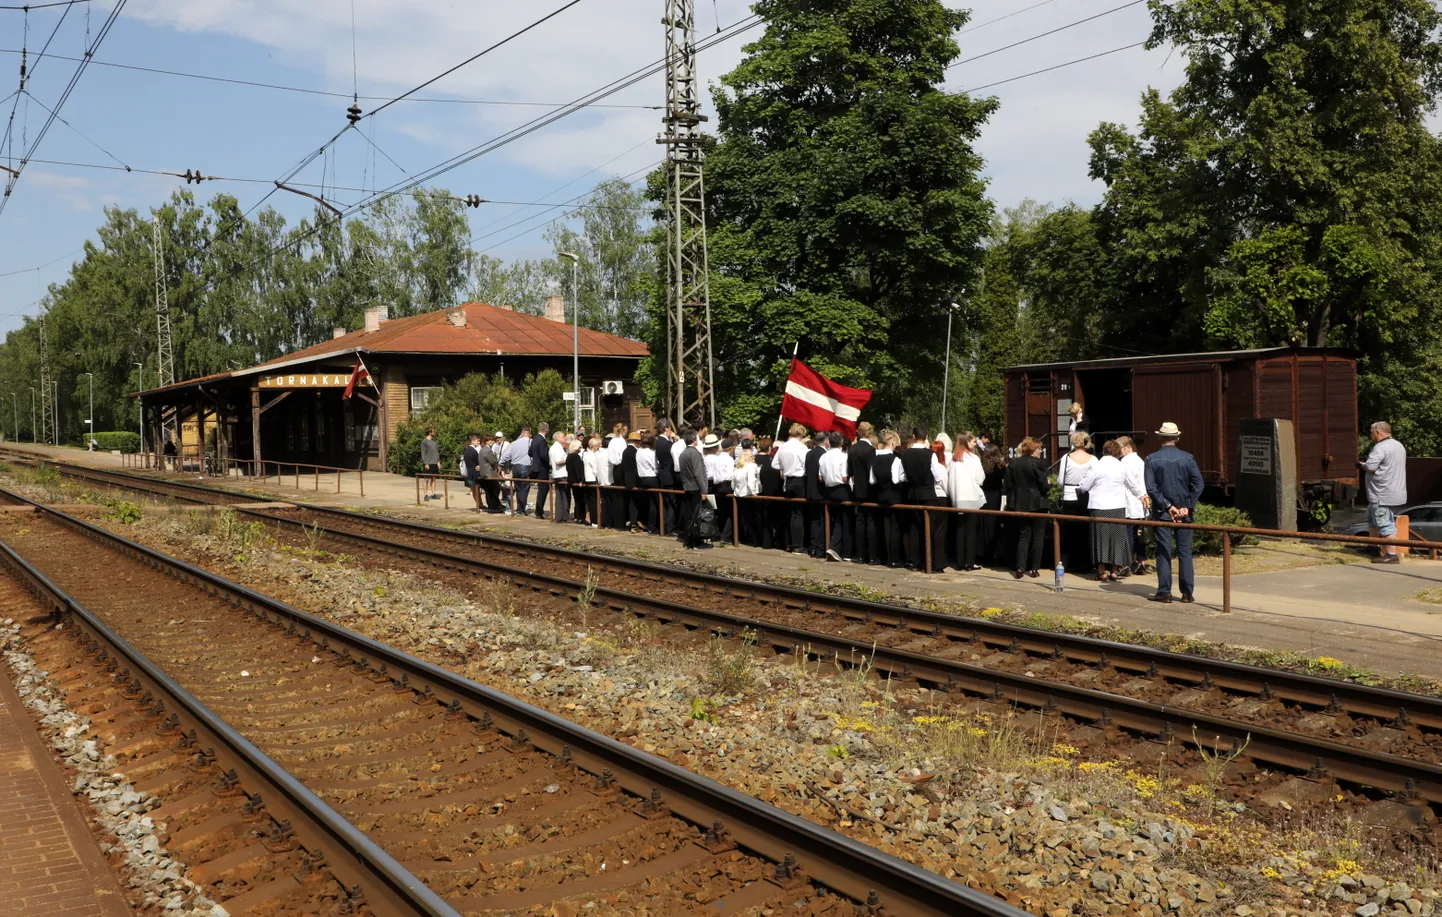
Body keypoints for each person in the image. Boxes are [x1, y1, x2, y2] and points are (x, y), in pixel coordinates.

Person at [1144, 422, 1205, 604]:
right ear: (1177, 438)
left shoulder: (1151, 459)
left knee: (1163, 551)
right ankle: (1187, 593)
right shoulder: (1188, 458)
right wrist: (1187, 505)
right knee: (1185, 552)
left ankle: (1164, 592)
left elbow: (1151, 487)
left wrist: (1167, 506)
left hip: (1163, 512)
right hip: (1185, 512)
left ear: (1160, 438)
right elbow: (1199, 484)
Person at [1078, 440, 1147, 581]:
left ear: (1104, 451)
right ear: (1117, 452)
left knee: (1100, 539)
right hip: (1118, 506)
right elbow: (1133, 485)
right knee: (1117, 539)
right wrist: (1142, 496)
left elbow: (1084, 486)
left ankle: (1102, 571)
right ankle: (1115, 571)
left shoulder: (1096, 466)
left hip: (1098, 506)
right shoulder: (1122, 466)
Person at [1359, 421, 1408, 564]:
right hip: (1394, 492)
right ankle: (1373, 546)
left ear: (1378, 433)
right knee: (1373, 521)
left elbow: (1371, 467)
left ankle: (1392, 556)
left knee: (1385, 524)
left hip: (1381, 494)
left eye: (1371, 432)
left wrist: (1362, 465)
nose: (1371, 435)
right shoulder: (1398, 445)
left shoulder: (1380, 447)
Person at [1004, 437, 1050, 579]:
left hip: (1020, 503)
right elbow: (1044, 486)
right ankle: (1035, 568)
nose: (1041, 451)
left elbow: (1008, 485)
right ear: (1033, 449)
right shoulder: (1039, 464)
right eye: (1039, 448)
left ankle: (1020, 568)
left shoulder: (1013, 464)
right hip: (1038, 504)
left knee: (1024, 536)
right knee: (1038, 536)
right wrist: (1047, 484)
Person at [947, 432, 986, 572]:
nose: (975, 443)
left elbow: (950, 480)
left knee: (960, 529)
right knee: (971, 531)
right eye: (974, 441)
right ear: (967, 441)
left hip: (958, 497)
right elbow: (980, 479)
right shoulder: (973, 458)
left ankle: (960, 562)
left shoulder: (954, 459)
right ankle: (969, 562)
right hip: (972, 497)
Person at [1058, 431, 1096, 573]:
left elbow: (1061, 480)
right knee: (1084, 531)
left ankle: (1069, 562)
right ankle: (1085, 563)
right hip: (1085, 497)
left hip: (1068, 496)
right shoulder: (1093, 459)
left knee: (1068, 532)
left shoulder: (1066, 458)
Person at [1117, 436, 1150, 575]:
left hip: (1131, 500)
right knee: (1140, 533)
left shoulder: (1125, 462)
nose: (1118, 451)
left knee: (1129, 533)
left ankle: (1127, 563)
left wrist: (1140, 495)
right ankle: (1142, 562)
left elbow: (1131, 483)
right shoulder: (1140, 461)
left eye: (1120, 448)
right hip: (1141, 501)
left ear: (1128, 447)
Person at [872, 430, 903, 567]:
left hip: (881, 496)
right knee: (894, 528)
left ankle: (885, 557)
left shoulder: (875, 459)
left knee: (885, 527)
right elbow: (896, 479)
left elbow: (872, 480)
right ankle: (894, 558)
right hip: (894, 496)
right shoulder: (896, 459)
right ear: (892, 442)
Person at [777, 424, 810, 553]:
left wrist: (785, 468)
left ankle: (791, 542)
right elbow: (805, 464)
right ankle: (798, 545)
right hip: (799, 479)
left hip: (788, 480)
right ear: (801, 434)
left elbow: (775, 464)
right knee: (799, 513)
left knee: (792, 513)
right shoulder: (802, 447)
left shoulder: (783, 447)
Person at [848, 423, 877, 564]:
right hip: (869, 490)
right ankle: (871, 556)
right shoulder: (871, 450)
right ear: (870, 433)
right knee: (870, 521)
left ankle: (859, 555)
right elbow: (872, 473)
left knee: (859, 521)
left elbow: (849, 471)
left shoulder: (852, 449)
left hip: (856, 489)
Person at [819, 431, 851, 562]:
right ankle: (845, 552)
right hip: (842, 489)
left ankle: (835, 547)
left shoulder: (823, 457)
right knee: (846, 520)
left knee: (837, 519)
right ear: (841, 443)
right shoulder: (843, 457)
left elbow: (820, 477)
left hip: (828, 490)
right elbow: (844, 477)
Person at [677, 430, 708, 549]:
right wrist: (704, 490)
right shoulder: (694, 454)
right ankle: (693, 541)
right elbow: (698, 473)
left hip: (687, 487)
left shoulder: (683, 454)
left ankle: (688, 540)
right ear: (694, 441)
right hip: (695, 488)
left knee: (689, 515)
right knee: (696, 516)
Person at [979, 444, 1006, 565]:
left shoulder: (981, 465)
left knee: (983, 523)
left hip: (983, 495)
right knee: (994, 523)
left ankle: (982, 553)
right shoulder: (1000, 466)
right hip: (995, 496)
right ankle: (992, 554)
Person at [756, 435, 783, 550]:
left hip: (765, 494)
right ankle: (780, 542)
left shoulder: (765, 465)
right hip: (777, 494)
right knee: (779, 520)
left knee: (767, 519)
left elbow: (761, 478)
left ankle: (767, 543)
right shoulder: (777, 466)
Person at [733, 444, 762, 546]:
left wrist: (735, 491)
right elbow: (751, 481)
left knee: (746, 519)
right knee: (754, 518)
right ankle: (756, 540)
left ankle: (751, 539)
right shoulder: (752, 466)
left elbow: (733, 483)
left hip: (739, 495)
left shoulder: (737, 468)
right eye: (751, 456)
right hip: (750, 495)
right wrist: (754, 492)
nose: (754, 457)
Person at [804, 432, 827, 557]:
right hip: (820, 491)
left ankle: (813, 547)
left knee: (814, 520)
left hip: (810, 491)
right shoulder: (824, 454)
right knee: (822, 520)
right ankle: (820, 548)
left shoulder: (809, 453)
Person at [655, 419, 679, 535]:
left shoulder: (658, 442)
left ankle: (664, 526)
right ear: (667, 429)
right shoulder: (668, 444)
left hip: (662, 474)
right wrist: (676, 439)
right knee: (671, 503)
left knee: (664, 502)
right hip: (670, 475)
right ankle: (671, 528)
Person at [635, 431, 659, 533]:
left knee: (646, 502)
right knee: (655, 503)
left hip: (642, 478)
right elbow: (655, 466)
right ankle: (652, 527)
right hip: (651, 478)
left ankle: (646, 523)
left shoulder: (639, 451)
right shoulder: (650, 453)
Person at [505, 426, 534, 513]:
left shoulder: (514, 443)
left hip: (515, 467)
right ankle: (521, 508)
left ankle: (519, 509)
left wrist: (500, 464)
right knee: (524, 488)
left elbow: (506, 455)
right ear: (530, 435)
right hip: (525, 467)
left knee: (518, 488)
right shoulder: (531, 442)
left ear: (521, 434)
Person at [529, 423, 552, 518]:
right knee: (543, 489)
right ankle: (539, 511)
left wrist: (536, 458)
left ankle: (539, 510)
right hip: (542, 468)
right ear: (546, 430)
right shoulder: (542, 440)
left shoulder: (534, 439)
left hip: (536, 467)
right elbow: (543, 455)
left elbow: (530, 452)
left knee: (541, 489)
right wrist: (549, 463)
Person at [476, 434, 502, 513]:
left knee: (489, 491)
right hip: (489, 473)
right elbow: (493, 461)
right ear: (485, 441)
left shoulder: (482, 449)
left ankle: (493, 506)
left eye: (492, 440)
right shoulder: (488, 450)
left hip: (484, 473)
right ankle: (494, 507)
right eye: (488, 440)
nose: (491, 442)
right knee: (494, 490)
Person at [549, 430, 571, 522]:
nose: (564, 437)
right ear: (557, 438)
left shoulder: (555, 447)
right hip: (562, 474)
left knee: (560, 496)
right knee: (565, 496)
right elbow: (558, 461)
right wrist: (568, 459)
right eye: (563, 436)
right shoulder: (557, 448)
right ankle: (564, 517)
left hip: (557, 474)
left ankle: (559, 516)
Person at [462, 433, 485, 512]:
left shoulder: (467, 450)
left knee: (474, 490)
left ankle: (479, 504)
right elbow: (478, 461)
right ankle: (480, 505)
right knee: (477, 490)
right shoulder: (473, 451)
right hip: (474, 473)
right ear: (473, 441)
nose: (478, 442)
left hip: (469, 472)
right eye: (477, 441)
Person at [420, 428, 441, 501]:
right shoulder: (424, 442)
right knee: (426, 479)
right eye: (433, 431)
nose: (434, 432)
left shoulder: (434, 442)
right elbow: (423, 453)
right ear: (429, 432)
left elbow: (436, 452)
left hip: (434, 463)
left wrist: (438, 462)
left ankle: (434, 493)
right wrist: (426, 463)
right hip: (428, 463)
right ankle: (426, 495)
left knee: (434, 479)